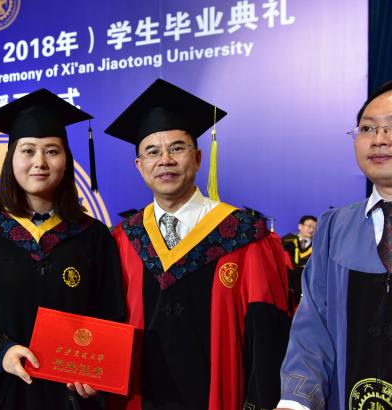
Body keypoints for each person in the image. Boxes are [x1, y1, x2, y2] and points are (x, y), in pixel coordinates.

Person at [104, 78, 290, 410]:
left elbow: (268, 336)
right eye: (152, 152)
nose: (165, 160)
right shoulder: (123, 239)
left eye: (177, 148)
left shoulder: (243, 235)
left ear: (199, 157)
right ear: (139, 166)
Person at [0, 89, 125, 409]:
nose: (40, 162)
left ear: (66, 161)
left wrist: (97, 372)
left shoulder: (93, 236)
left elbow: (111, 315)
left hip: (71, 396)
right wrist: (1, 352)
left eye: (52, 151)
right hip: (7, 392)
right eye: (28, 151)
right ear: (11, 160)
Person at [277, 81, 392, 410]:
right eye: (367, 128)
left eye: (391, 127)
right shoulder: (334, 227)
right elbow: (313, 328)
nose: (379, 139)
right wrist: (296, 402)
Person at [281, 215, 317, 312]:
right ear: (300, 226)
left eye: (314, 227)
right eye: (309, 226)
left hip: (307, 281)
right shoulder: (287, 240)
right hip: (288, 282)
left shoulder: (317, 245)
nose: (311, 230)